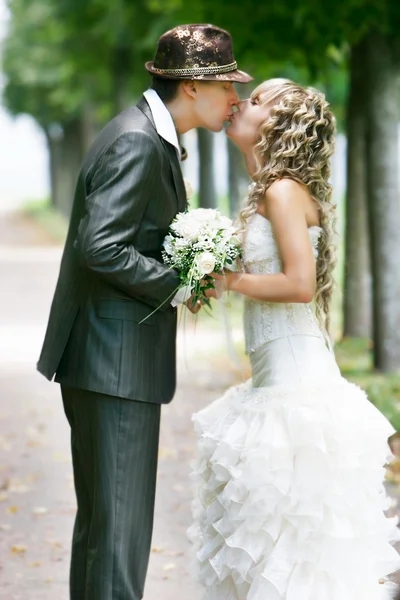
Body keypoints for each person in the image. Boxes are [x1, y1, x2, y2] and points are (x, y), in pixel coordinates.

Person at [36, 23, 252, 600]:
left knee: (106, 535)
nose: (235, 98)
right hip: (114, 364)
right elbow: (100, 245)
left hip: (108, 359)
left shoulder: (145, 135)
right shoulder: (137, 140)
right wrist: (179, 283)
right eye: (226, 85)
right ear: (191, 87)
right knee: (117, 539)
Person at [190, 78, 400, 599]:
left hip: (297, 392)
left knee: (295, 548)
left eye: (259, 100)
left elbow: (300, 285)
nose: (242, 101)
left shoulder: (283, 192)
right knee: (272, 546)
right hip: (270, 384)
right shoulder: (265, 190)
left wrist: (229, 280)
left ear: (280, 126)